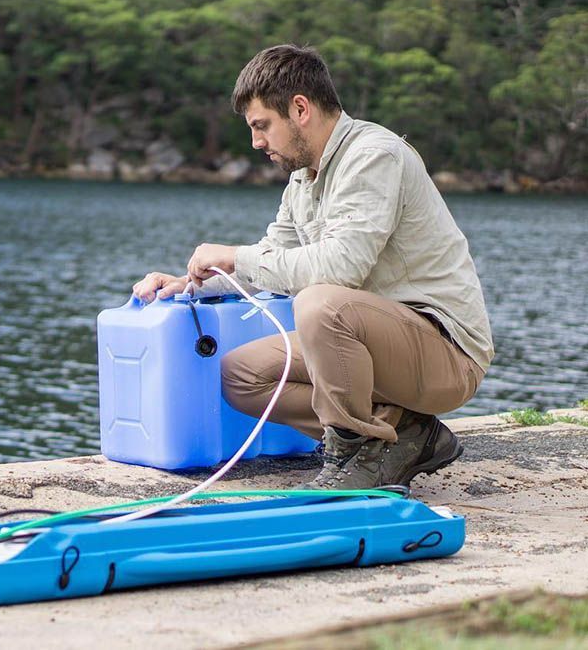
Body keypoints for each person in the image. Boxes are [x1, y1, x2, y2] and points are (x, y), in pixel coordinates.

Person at [132, 44, 494, 490]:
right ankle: (402, 435)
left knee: (321, 302)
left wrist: (234, 254)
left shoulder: (373, 156)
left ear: (299, 108)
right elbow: (269, 261)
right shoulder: (302, 179)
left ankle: (355, 450)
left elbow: (339, 270)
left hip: (446, 352)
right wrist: (190, 284)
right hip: (371, 340)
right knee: (241, 376)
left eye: (262, 125)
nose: (256, 142)